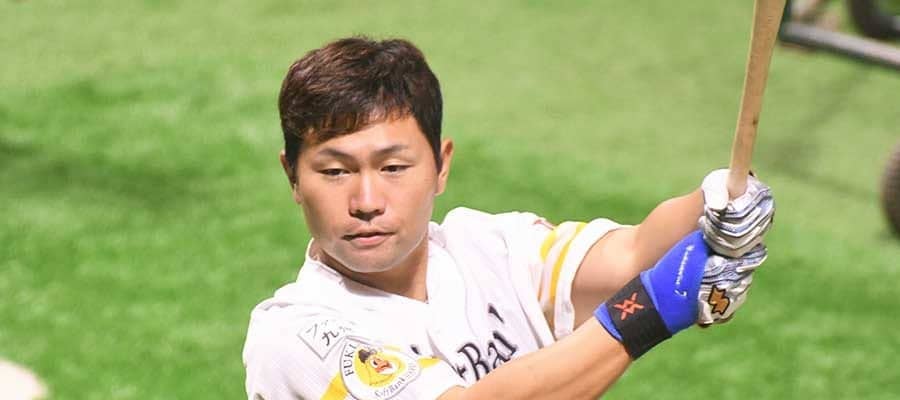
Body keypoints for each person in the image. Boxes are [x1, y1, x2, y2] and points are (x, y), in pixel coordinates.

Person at [242, 37, 775, 400]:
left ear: (441, 166)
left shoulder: (489, 246)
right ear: (293, 177)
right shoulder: (295, 335)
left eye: (394, 167)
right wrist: (650, 309)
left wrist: (715, 207)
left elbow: (633, 254)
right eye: (335, 171)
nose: (366, 200)